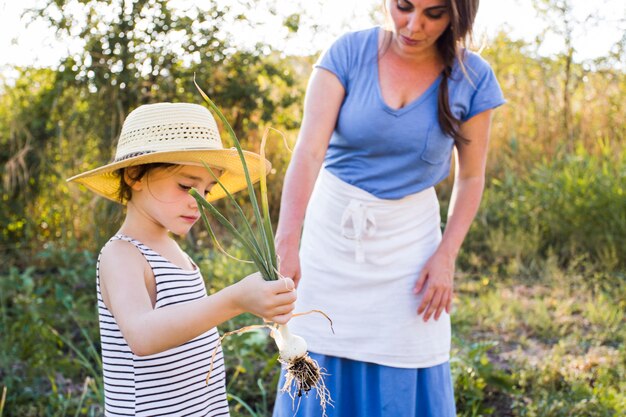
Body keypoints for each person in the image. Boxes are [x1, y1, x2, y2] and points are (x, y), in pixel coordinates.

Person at [272, 0, 505, 416]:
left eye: (433, 14)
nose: (413, 25)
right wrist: (287, 239)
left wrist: (446, 255)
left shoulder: (473, 77)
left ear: (457, 15)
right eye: (403, 6)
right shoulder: (347, 53)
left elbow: (471, 177)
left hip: (410, 245)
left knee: (407, 352)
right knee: (320, 344)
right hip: (331, 239)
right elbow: (308, 153)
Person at [67, 102, 297, 417]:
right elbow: (142, 336)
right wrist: (235, 300)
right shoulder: (122, 254)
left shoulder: (177, 253)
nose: (200, 202)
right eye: (187, 186)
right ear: (135, 174)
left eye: (208, 189)